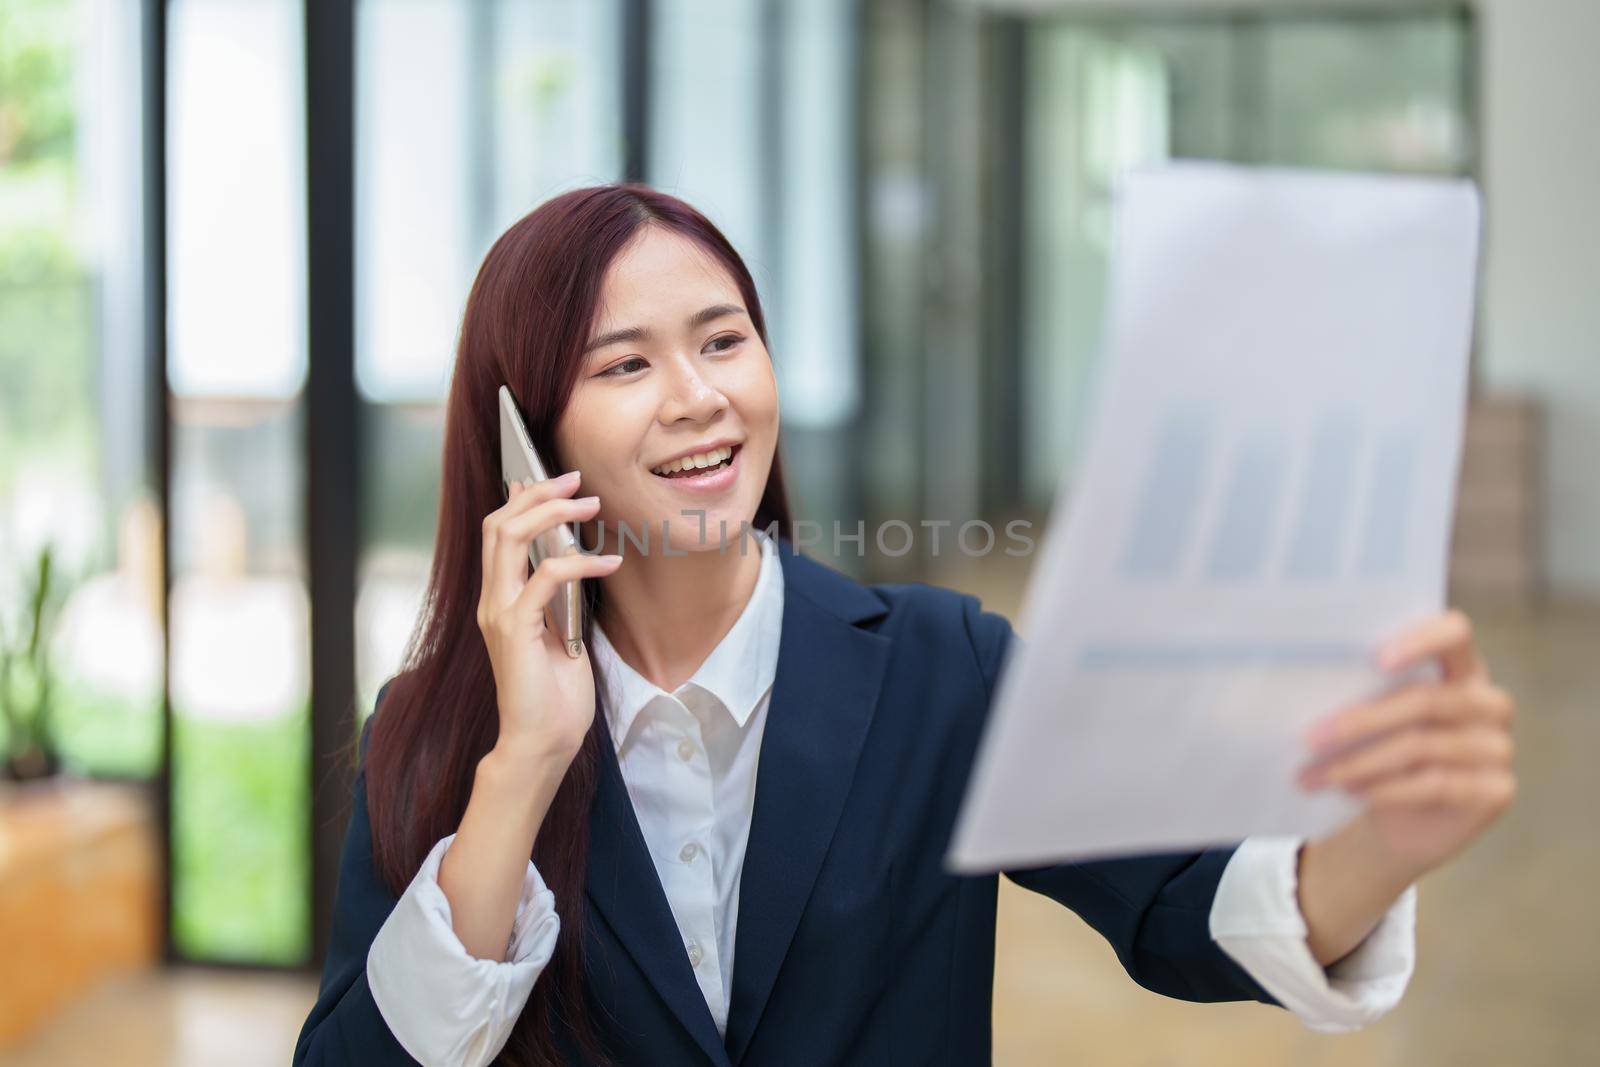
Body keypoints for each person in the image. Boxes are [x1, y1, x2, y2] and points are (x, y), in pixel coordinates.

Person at [293, 184, 1516, 1067]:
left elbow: (1186, 901)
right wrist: (523, 770)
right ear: (527, 441)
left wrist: (1383, 837)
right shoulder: (446, 734)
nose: (699, 395)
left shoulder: (943, 668)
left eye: (724, 340)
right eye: (625, 366)